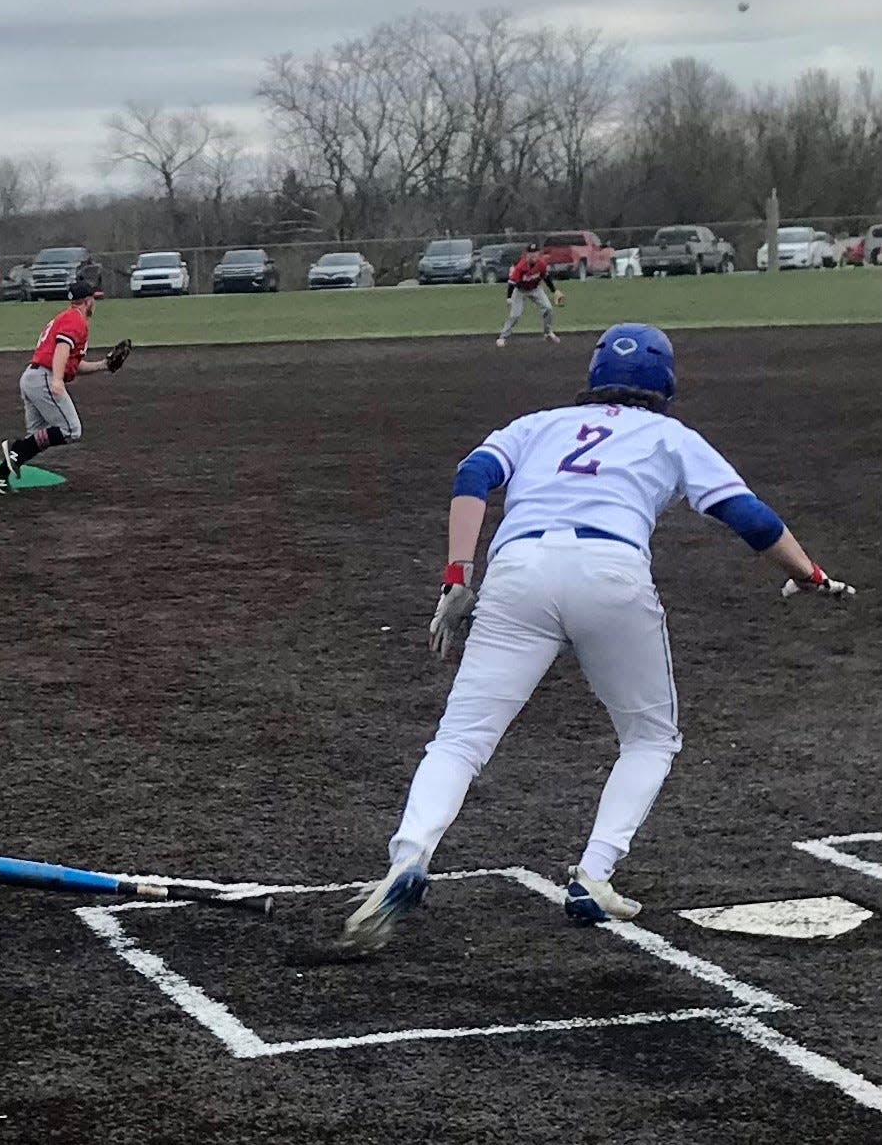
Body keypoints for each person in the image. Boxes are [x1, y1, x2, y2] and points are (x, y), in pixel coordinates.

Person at [341, 323, 855, 951]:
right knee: (650, 738)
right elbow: (749, 518)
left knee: (461, 738)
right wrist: (811, 576)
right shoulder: (672, 436)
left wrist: (456, 577)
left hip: (517, 572)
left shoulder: (537, 424)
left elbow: (473, 475)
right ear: (665, 381)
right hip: (610, 574)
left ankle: (409, 859)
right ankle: (594, 874)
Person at [0, 279, 130, 495]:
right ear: (87, 301)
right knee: (71, 430)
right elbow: (61, 350)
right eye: (93, 300)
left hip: (33, 377)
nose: (94, 304)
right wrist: (57, 380)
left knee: (38, 437)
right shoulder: (75, 320)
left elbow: (73, 364)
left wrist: (104, 365)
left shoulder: (66, 318)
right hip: (44, 377)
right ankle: (16, 449)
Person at [496, 242, 565, 347]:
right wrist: (509, 297)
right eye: (531, 253)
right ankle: (502, 337)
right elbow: (512, 283)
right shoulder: (520, 267)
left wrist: (554, 291)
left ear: (538, 254)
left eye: (535, 253)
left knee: (548, 308)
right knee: (515, 315)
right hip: (520, 290)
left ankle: (548, 333)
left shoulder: (541, 264)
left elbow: (546, 278)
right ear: (527, 255)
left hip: (535, 289)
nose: (533, 255)